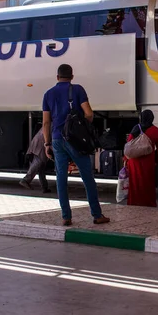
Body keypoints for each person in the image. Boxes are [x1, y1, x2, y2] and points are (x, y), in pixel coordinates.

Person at [42, 64, 109, 226]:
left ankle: (66, 216)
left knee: (61, 178)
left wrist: (47, 144)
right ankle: (97, 214)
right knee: (87, 177)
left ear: (57, 77)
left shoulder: (48, 94)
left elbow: (46, 122)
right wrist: (83, 128)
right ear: (72, 77)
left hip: (57, 139)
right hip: (75, 141)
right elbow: (89, 113)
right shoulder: (78, 90)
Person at [125, 110, 158, 207]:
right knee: (147, 184)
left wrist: (126, 160)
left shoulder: (136, 128)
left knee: (134, 184)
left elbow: (129, 144)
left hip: (134, 162)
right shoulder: (155, 130)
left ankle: (134, 203)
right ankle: (148, 204)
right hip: (148, 162)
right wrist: (157, 160)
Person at [19, 125, 51, 193]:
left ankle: (44, 187)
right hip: (41, 145)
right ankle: (26, 180)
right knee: (38, 162)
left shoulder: (51, 123)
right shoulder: (53, 124)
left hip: (40, 144)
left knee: (41, 167)